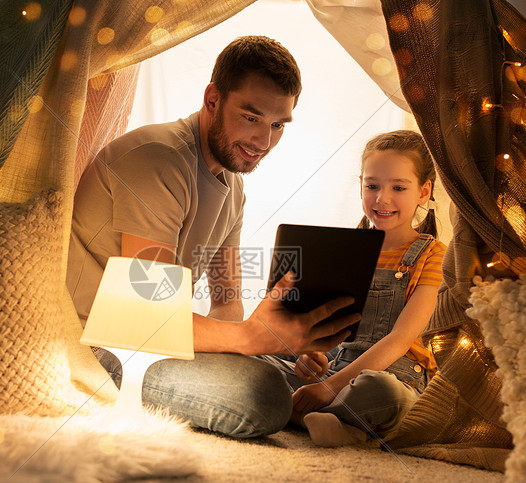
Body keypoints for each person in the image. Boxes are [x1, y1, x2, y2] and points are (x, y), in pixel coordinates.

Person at [68, 36, 359, 438]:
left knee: (316, 380)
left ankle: (303, 402)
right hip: (101, 346)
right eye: (251, 117)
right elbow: (143, 316)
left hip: (155, 340)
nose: (263, 141)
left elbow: (226, 302)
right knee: (262, 394)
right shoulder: (158, 161)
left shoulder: (233, 188)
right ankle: (290, 408)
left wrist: (281, 341)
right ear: (212, 99)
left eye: (278, 125)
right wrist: (252, 340)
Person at [262, 129, 447, 447]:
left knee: (379, 392)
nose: (382, 199)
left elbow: (401, 339)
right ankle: (338, 425)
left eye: (398, 187)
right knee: (258, 359)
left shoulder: (433, 254)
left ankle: (295, 414)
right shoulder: (344, 248)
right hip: (334, 369)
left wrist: (329, 389)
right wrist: (312, 355)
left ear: (423, 191)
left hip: (394, 377)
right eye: (372, 185)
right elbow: (321, 325)